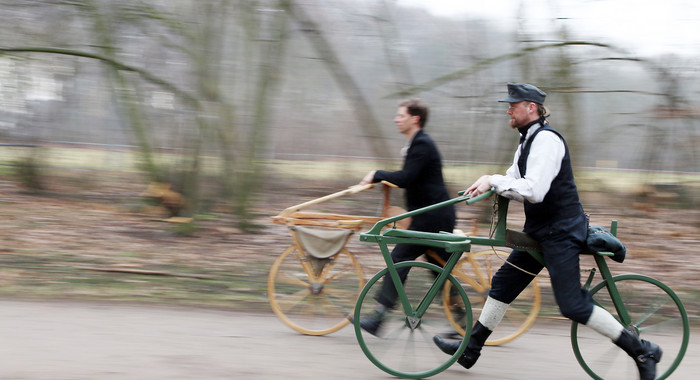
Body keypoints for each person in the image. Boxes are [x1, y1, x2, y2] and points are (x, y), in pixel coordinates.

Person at [433, 83, 662, 380]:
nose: (508, 109)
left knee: (572, 305)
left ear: (531, 107)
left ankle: (642, 350)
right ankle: (471, 348)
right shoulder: (527, 141)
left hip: (561, 233)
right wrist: (488, 184)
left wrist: (493, 180)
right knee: (503, 284)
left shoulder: (547, 141)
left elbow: (535, 190)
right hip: (540, 231)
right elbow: (514, 179)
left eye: (513, 105)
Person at [352, 99, 456, 336]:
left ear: (414, 119)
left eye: (400, 115)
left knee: (399, 259)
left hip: (432, 219)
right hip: (431, 216)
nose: (396, 119)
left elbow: (407, 177)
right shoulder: (418, 143)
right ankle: (460, 320)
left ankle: (379, 317)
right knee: (439, 270)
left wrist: (376, 174)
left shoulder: (422, 144)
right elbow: (412, 178)